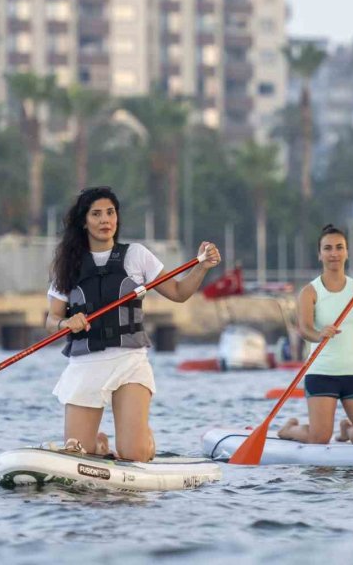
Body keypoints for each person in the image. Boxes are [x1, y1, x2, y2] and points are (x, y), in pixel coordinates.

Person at [45, 187, 221, 461]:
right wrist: (66, 322)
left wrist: (201, 267)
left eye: (110, 213)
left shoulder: (136, 255)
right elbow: (51, 319)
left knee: (134, 455)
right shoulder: (67, 265)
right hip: (85, 364)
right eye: (96, 214)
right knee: (77, 453)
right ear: (84, 222)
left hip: (130, 361)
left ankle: (143, 441)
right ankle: (100, 444)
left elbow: (178, 293)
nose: (105, 220)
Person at [278, 224, 353, 445]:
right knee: (320, 438)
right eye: (328, 248)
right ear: (320, 255)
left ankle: (347, 430)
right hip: (322, 373)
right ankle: (290, 429)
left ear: (347, 253)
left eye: (339, 248)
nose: (334, 253)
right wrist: (320, 334)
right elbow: (305, 329)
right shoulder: (309, 292)